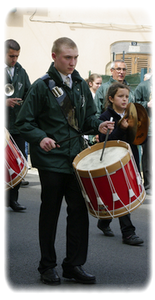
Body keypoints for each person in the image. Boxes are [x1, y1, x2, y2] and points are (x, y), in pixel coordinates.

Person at [15, 37, 114, 285]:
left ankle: (73, 265)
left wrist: (99, 124)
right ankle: (47, 265)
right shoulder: (41, 86)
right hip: (51, 161)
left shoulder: (80, 84)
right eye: (67, 57)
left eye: (75, 57)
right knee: (50, 214)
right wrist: (40, 138)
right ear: (54, 57)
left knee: (79, 212)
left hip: (76, 159)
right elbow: (23, 122)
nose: (72, 62)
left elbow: (89, 117)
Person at [98, 82, 144, 245]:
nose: (125, 99)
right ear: (111, 98)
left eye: (126, 96)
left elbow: (138, 137)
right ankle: (128, 233)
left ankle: (104, 221)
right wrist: (121, 128)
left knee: (122, 192)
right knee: (122, 193)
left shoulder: (132, 113)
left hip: (130, 156)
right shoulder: (105, 117)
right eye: (120, 96)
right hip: (113, 160)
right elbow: (106, 141)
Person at [4, 39, 31, 211]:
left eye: (17, 56)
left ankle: (12, 199)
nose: (15, 60)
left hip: (17, 125)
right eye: (11, 56)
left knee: (19, 161)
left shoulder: (21, 71)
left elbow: (29, 93)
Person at [134, 73, 153, 196]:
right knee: (147, 158)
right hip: (149, 128)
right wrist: (147, 104)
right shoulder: (143, 86)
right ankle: (148, 185)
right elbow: (134, 103)